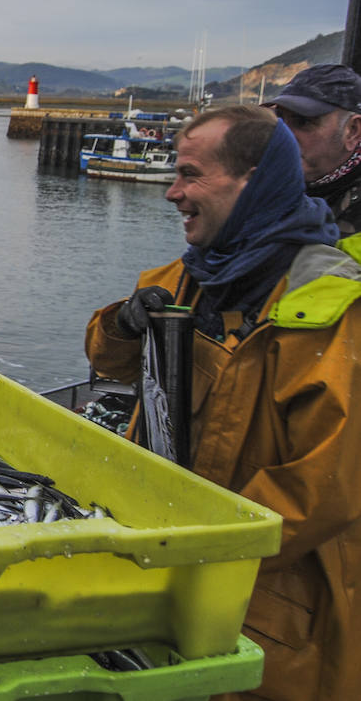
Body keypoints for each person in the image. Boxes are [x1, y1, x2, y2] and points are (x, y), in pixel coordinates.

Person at [84, 104, 361, 700]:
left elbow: (324, 490)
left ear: (253, 182)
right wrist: (121, 326)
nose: (172, 193)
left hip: (268, 607)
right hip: (170, 576)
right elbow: (109, 362)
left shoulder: (328, 311)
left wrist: (199, 555)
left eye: (189, 175)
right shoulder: (190, 275)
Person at [265, 63, 361, 235]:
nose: (283, 136)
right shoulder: (264, 181)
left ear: (353, 131)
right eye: (279, 120)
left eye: (303, 121)